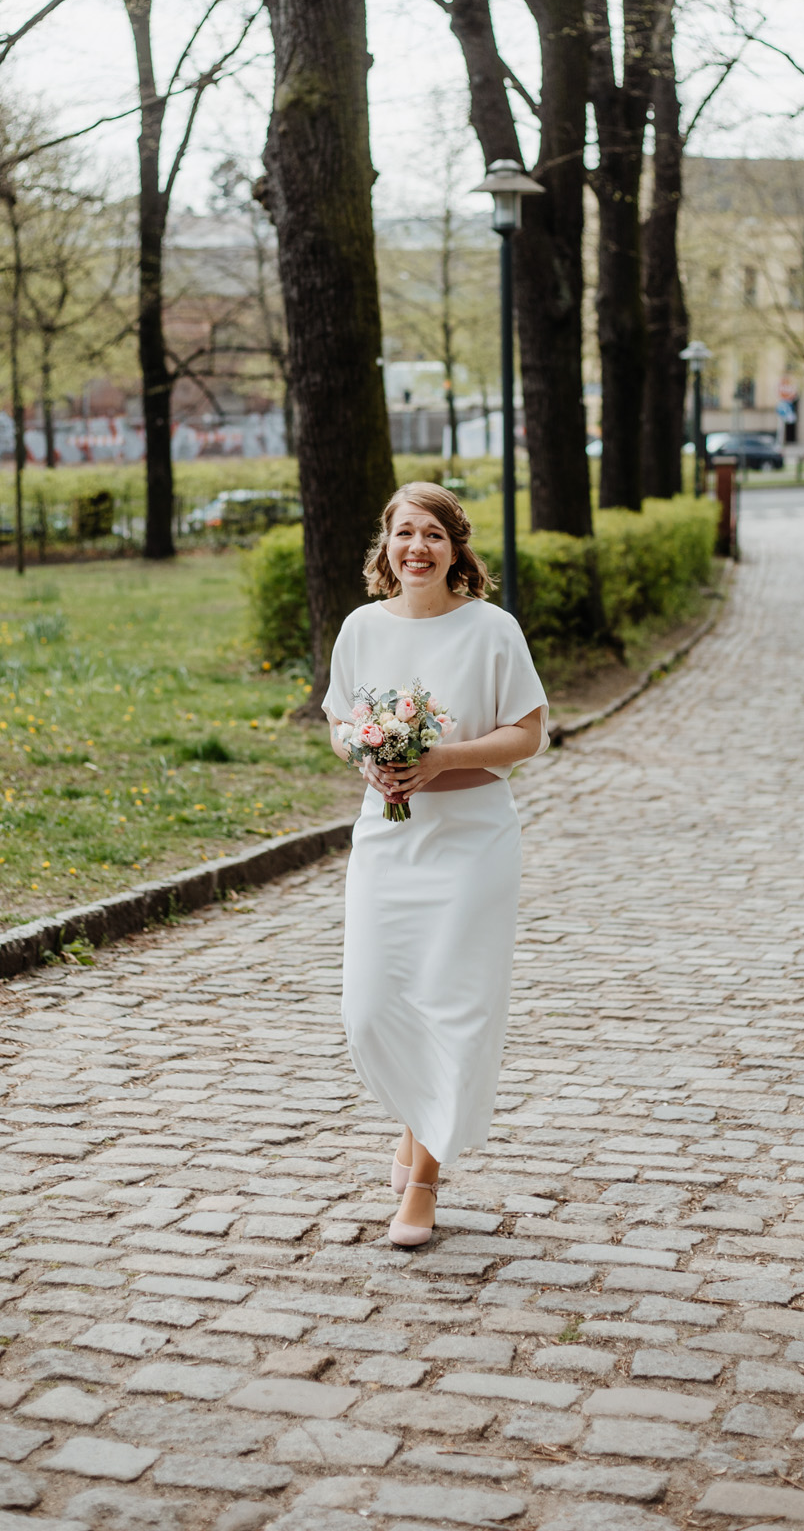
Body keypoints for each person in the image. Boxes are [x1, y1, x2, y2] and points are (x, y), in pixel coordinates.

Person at [324, 481, 548, 1246]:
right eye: (404, 534)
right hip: (387, 839)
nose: (417, 548)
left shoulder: (492, 630)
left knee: (452, 1005)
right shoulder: (360, 628)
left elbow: (527, 735)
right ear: (385, 546)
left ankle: (424, 1178)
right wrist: (369, 759)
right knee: (370, 1008)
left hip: (472, 841)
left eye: (435, 536)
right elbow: (338, 722)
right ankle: (417, 1121)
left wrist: (438, 757)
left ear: (457, 551)